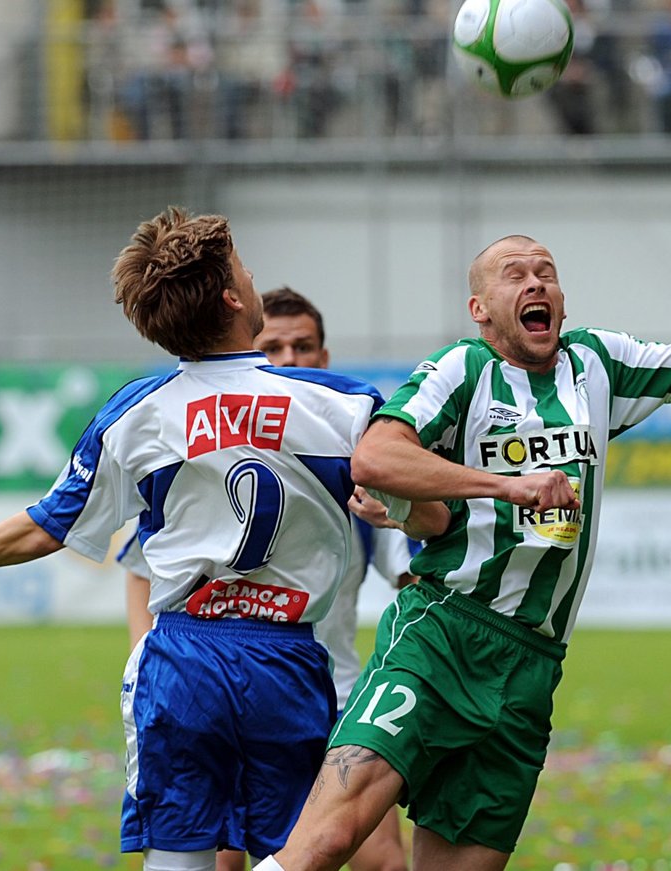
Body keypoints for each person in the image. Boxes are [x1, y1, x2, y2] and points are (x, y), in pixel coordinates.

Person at [252, 235, 671, 871]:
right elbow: (377, 456)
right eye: (514, 274)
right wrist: (504, 485)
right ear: (481, 309)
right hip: (442, 636)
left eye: (545, 272)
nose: (535, 282)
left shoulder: (599, 364)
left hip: (531, 664)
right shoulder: (461, 370)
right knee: (327, 842)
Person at [0, 207, 426, 871]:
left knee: (182, 857)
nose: (252, 275)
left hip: (184, 654)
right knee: (294, 855)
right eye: (245, 267)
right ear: (231, 295)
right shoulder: (344, 406)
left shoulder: (137, 412)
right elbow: (416, 500)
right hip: (289, 658)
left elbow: (50, 523)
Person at [123, 285, 417, 871]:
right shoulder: (212, 457)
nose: (289, 358)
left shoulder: (353, 466)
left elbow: (413, 576)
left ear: (324, 358)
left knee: (380, 856)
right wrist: (145, 652)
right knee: (230, 858)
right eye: (274, 346)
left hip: (342, 695)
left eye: (303, 346)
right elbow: (140, 565)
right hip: (232, 687)